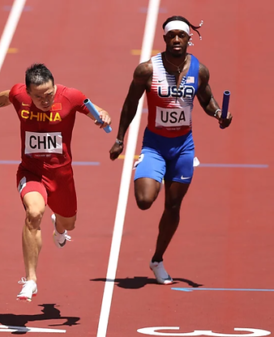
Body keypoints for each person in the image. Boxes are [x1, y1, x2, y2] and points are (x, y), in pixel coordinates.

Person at [0, 63, 111, 301]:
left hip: (61, 175)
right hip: (31, 171)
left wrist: (103, 116)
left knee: (70, 223)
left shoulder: (71, 96)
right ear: (28, 92)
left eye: (49, 94)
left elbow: (96, 110)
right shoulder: (18, 94)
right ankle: (30, 280)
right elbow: (6, 97)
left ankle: (60, 227)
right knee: (34, 214)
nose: (45, 100)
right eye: (39, 97)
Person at [108, 16, 233, 284]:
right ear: (164, 39)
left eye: (181, 35)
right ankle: (151, 171)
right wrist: (120, 138)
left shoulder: (199, 70)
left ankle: (157, 260)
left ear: (189, 39)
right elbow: (130, 104)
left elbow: (206, 99)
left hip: (183, 147)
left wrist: (219, 114)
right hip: (154, 144)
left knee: (173, 207)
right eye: (171, 35)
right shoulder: (147, 70)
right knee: (143, 201)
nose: (176, 40)